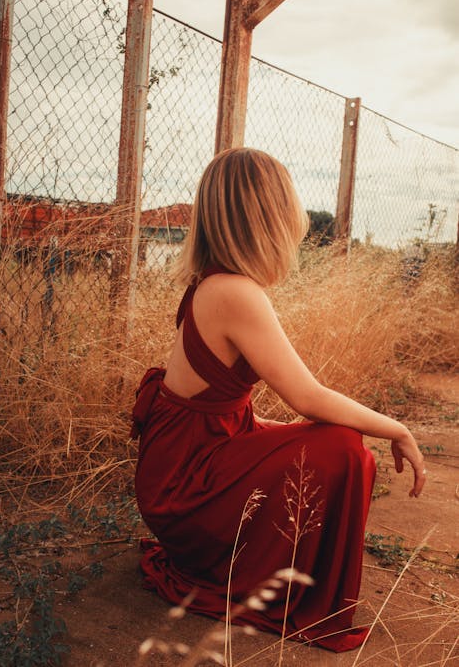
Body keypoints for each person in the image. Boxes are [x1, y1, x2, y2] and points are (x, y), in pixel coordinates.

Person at [130, 147, 426, 652]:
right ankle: (288, 583)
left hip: (186, 465)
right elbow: (307, 397)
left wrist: (269, 434)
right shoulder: (235, 292)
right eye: (288, 209)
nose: (297, 221)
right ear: (266, 217)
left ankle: (283, 569)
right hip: (186, 487)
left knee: (328, 441)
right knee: (343, 447)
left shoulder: (216, 284)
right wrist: (396, 427)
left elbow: (215, 408)